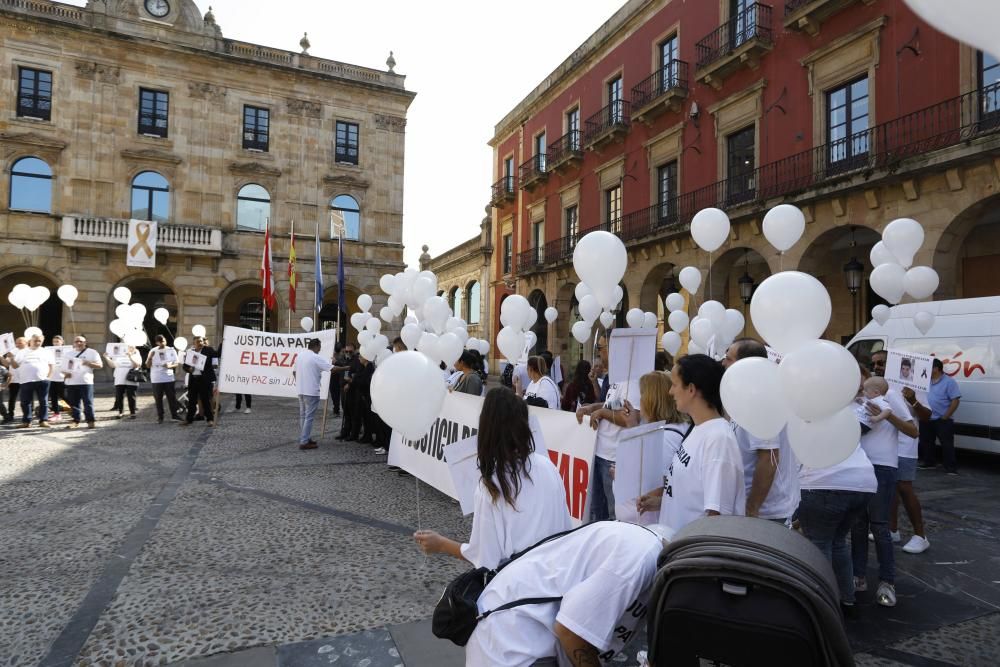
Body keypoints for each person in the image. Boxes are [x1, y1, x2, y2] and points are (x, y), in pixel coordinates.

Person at [465, 521, 667, 666]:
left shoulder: (652, 560)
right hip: (513, 638)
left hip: (522, 630)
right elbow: (570, 631)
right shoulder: (640, 559)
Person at [413, 388, 571, 569]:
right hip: (559, 577)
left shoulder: (490, 488)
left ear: (487, 429)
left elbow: (486, 560)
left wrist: (441, 544)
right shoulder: (549, 467)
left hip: (518, 583)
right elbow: (567, 534)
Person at [637, 355, 744, 538]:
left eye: (674, 384)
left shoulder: (718, 440)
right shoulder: (698, 429)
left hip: (691, 550)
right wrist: (661, 502)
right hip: (676, 543)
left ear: (692, 389)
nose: (670, 392)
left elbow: (716, 517)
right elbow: (695, 495)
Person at [722, 338, 799, 523]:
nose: (723, 363)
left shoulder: (760, 400)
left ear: (746, 365)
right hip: (755, 510)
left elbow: (769, 458)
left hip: (765, 513)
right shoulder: (748, 395)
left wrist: (752, 508)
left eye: (729, 358)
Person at [797, 444, 877, 616]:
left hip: (824, 483)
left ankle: (823, 605)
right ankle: (847, 599)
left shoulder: (805, 426)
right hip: (863, 483)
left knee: (819, 544)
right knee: (838, 542)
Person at [869, 349, 928, 553]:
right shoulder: (876, 385)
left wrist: (913, 400)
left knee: (904, 487)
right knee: (890, 488)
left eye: (881, 363)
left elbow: (927, 416)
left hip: (905, 445)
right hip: (885, 444)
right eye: (874, 363)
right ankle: (892, 529)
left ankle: (921, 536)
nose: (876, 367)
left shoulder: (912, 385)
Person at [852, 375, 899, 608]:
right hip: (859, 465)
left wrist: (882, 415)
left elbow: (912, 429)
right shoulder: (855, 400)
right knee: (858, 525)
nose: (861, 388)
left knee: (879, 526)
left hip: (882, 466)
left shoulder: (889, 397)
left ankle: (887, 582)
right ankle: (858, 576)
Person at [576, 369, 640, 522]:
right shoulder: (618, 377)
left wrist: (602, 413)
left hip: (613, 457)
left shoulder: (633, 380)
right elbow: (612, 405)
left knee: (613, 514)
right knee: (597, 510)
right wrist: (593, 408)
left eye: (602, 354)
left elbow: (633, 417)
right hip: (600, 452)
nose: (601, 358)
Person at [918, 357, 961, 474]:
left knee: (947, 444)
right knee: (926, 442)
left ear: (936, 369)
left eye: (928, 367)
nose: (925, 370)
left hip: (942, 419)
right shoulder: (925, 380)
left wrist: (945, 416)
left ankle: (951, 468)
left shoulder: (949, 382)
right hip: (926, 417)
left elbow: (955, 400)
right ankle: (929, 462)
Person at [292, 339, 333, 450]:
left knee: (303, 416)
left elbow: (294, 372)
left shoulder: (300, 356)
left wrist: (300, 382)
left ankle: (305, 437)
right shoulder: (315, 357)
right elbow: (332, 369)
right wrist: (348, 368)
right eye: (319, 347)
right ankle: (304, 442)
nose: (320, 349)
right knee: (309, 417)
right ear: (316, 346)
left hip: (301, 390)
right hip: (311, 392)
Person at [9, 333, 53, 428]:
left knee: (43, 402)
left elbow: (51, 365)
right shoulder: (22, 352)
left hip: (42, 380)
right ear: (30, 341)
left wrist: (48, 377)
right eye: (35, 340)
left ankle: (43, 420)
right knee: (25, 402)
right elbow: (15, 366)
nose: (37, 342)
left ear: (42, 341)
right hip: (26, 380)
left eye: (39, 341)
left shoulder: (47, 352)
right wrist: (12, 359)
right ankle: (27, 421)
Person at [63, 335, 103, 429]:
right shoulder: (68, 354)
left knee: (88, 402)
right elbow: (63, 368)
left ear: (85, 343)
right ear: (73, 343)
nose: (79, 343)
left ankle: (90, 421)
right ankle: (75, 421)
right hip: (72, 382)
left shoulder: (92, 352)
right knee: (74, 403)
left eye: (81, 341)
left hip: (86, 381)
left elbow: (100, 365)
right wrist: (65, 374)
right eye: (76, 341)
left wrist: (89, 363)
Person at [180, 336, 216, 428]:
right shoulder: (190, 353)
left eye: (201, 341)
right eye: (198, 342)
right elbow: (184, 366)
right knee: (192, 401)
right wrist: (189, 369)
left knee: (206, 400)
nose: (200, 343)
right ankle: (189, 419)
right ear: (194, 343)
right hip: (193, 380)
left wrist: (223, 343)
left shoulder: (208, 350)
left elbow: (217, 354)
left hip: (204, 379)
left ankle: (210, 419)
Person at [146, 335, 181, 423]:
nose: (163, 343)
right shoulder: (153, 350)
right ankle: (160, 417)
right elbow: (148, 366)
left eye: (164, 341)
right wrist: (150, 358)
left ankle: (175, 415)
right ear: (157, 343)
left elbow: (177, 363)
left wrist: (170, 366)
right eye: (161, 342)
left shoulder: (171, 350)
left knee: (171, 397)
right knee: (158, 398)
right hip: (157, 378)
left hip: (168, 377)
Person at [105, 345, 142, 419]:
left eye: (132, 346)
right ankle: (121, 412)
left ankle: (132, 413)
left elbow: (137, 365)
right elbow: (112, 365)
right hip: (119, 378)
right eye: (128, 346)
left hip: (131, 378)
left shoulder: (136, 354)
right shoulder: (118, 355)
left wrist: (130, 357)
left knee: (131, 396)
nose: (130, 347)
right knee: (119, 396)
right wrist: (107, 358)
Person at [3, 336, 26, 424]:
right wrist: (1, 356)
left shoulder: (28, 352)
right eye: (16, 343)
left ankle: (28, 414)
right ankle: (10, 415)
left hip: (25, 378)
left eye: (20, 343)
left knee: (26, 398)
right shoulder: (13, 351)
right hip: (14, 379)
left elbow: (16, 366)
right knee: (12, 398)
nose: (17, 344)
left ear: (26, 343)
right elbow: (6, 364)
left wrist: (12, 358)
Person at [47, 335, 66, 422]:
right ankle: (56, 414)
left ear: (62, 342)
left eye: (57, 341)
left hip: (62, 377)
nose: (55, 343)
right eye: (54, 341)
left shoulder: (67, 351)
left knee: (63, 395)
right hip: (51, 377)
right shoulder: (49, 351)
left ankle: (76, 409)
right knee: (53, 396)